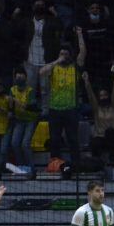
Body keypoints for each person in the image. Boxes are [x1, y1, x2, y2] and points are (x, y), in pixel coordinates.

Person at [40, 29, 87, 166]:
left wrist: (79, 35)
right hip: (54, 110)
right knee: (55, 140)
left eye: (66, 54)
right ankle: (55, 165)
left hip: (71, 109)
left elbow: (83, 52)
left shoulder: (74, 68)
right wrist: (57, 61)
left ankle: (76, 165)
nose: (64, 56)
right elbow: (41, 72)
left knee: (73, 139)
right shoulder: (53, 67)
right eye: (62, 53)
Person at [84, 66, 114, 165]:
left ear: (108, 96)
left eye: (105, 95)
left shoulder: (113, 106)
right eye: (101, 96)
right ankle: (96, 163)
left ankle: (113, 158)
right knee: (95, 141)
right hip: (101, 138)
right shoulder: (96, 108)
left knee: (110, 131)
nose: (103, 97)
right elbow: (90, 95)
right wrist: (87, 82)